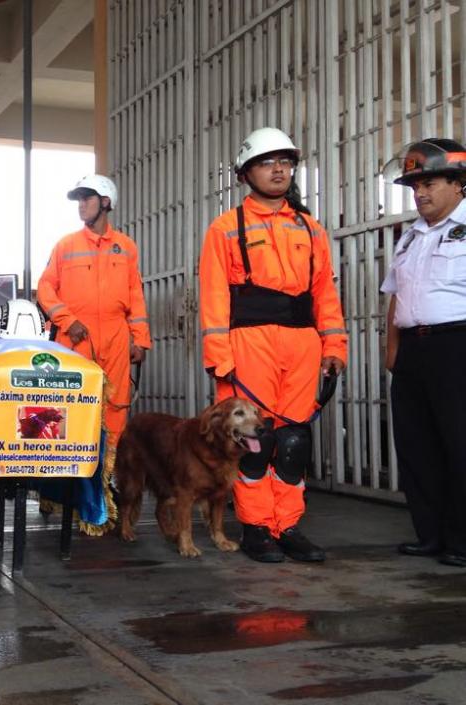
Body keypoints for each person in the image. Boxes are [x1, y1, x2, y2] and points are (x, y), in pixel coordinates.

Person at [198, 127, 347, 563]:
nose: (278, 169)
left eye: (285, 161)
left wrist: (335, 346)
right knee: (254, 442)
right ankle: (257, 527)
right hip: (248, 345)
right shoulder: (226, 229)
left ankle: (288, 525)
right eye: (267, 162)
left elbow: (325, 294)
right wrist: (219, 357)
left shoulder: (311, 229)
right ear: (246, 174)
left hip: (302, 344)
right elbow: (213, 296)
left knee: (295, 441)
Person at [382, 139, 466, 567]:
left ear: (458, 184)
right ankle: (430, 535)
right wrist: (392, 350)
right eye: (415, 187)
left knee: (459, 443)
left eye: (429, 183)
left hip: (457, 346)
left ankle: (462, 540)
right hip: (414, 351)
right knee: (417, 446)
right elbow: (395, 298)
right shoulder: (409, 238)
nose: (420, 194)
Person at [36, 174, 151, 447]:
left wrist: (141, 339)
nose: (81, 204)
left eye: (86, 198)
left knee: (116, 403)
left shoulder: (126, 246)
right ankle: (73, 477)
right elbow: (44, 289)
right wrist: (67, 320)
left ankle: (108, 477)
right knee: (72, 402)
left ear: (105, 201)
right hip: (75, 337)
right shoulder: (66, 245)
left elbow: (135, 295)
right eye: (79, 199)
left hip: (115, 337)